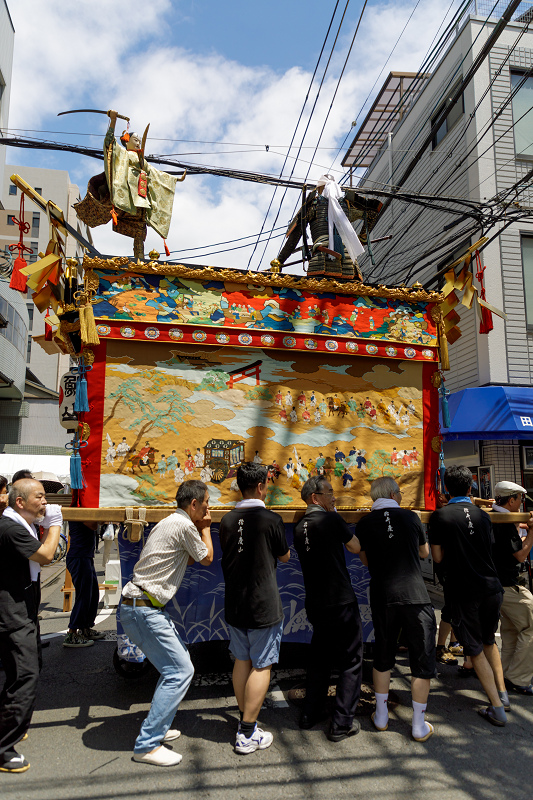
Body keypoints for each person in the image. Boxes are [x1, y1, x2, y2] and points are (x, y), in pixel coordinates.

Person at [120, 480, 213, 767]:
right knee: (180, 671)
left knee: (174, 666)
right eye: (206, 504)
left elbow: (189, 558)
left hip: (137, 606)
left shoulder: (167, 522)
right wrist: (207, 528)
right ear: (194, 504)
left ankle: (158, 727)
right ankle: (147, 745)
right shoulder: (186, 526)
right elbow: (207, 557)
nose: (209, 509)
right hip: (145, 608)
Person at [356, 477, 437, 742]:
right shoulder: (412, 517)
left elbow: (365, 559)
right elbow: (424, 553)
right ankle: (418, 724)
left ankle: (381, 716)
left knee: (383, 654)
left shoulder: (365, 523)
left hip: (383, 595)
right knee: (421, 659)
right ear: (393, 493)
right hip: (415, 596)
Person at [428, 465, 508, 726]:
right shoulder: (483, 516)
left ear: (445, 488)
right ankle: (502, 694)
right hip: (492, 586)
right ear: (471, 486)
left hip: (464, 589)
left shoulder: (441, 516)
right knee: (488, 641)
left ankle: (496, 708)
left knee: (473, 648)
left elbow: (437, 556)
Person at [219, 463, 290, 755]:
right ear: (261, 487)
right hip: (263, 604)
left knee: (241, 660)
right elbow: (284, 556)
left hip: (235, 603)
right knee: (262, 664)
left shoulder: (225, 520)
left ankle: (246, 719)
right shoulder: (271, 519)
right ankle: (247, 732)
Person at [293, 476, 363, 742]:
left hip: (316, 602)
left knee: (320, 658)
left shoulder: (300, 527)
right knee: (351, 660)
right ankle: (341, 723)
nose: (334, 497)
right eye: (330, 493)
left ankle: (310, 714)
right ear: (315, 498)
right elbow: (355, 547)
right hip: (340, 601)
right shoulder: (331, 520)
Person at [0, 479, 62, 773]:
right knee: (25, 676)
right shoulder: (11, 528)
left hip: (21, 609)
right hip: (12, 614)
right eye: (40, 497)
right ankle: (2, 748)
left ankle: (11, 727)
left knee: (20, 673)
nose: (45, 502)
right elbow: (47, 555)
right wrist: (55, 526)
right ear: (20, 502)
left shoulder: (18, 524)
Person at [491, 480, 533, 696]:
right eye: (520, 499)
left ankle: (507, 674)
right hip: (510, 584)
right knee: (531, 627)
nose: (521, 503)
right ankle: (519, 677)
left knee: (510, 631)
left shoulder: (492, 515)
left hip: (497, 585)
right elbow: (520, 554)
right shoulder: (505, 522)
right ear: (511, 500)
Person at [63, 521, 105, 648]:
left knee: (92, 594)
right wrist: (101, 519)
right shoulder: (80, 511)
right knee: (84, 595)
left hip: (85, 556)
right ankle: (72, 633)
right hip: (78, 556)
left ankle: (85, 628)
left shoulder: (85, 510)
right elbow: (93, 525)